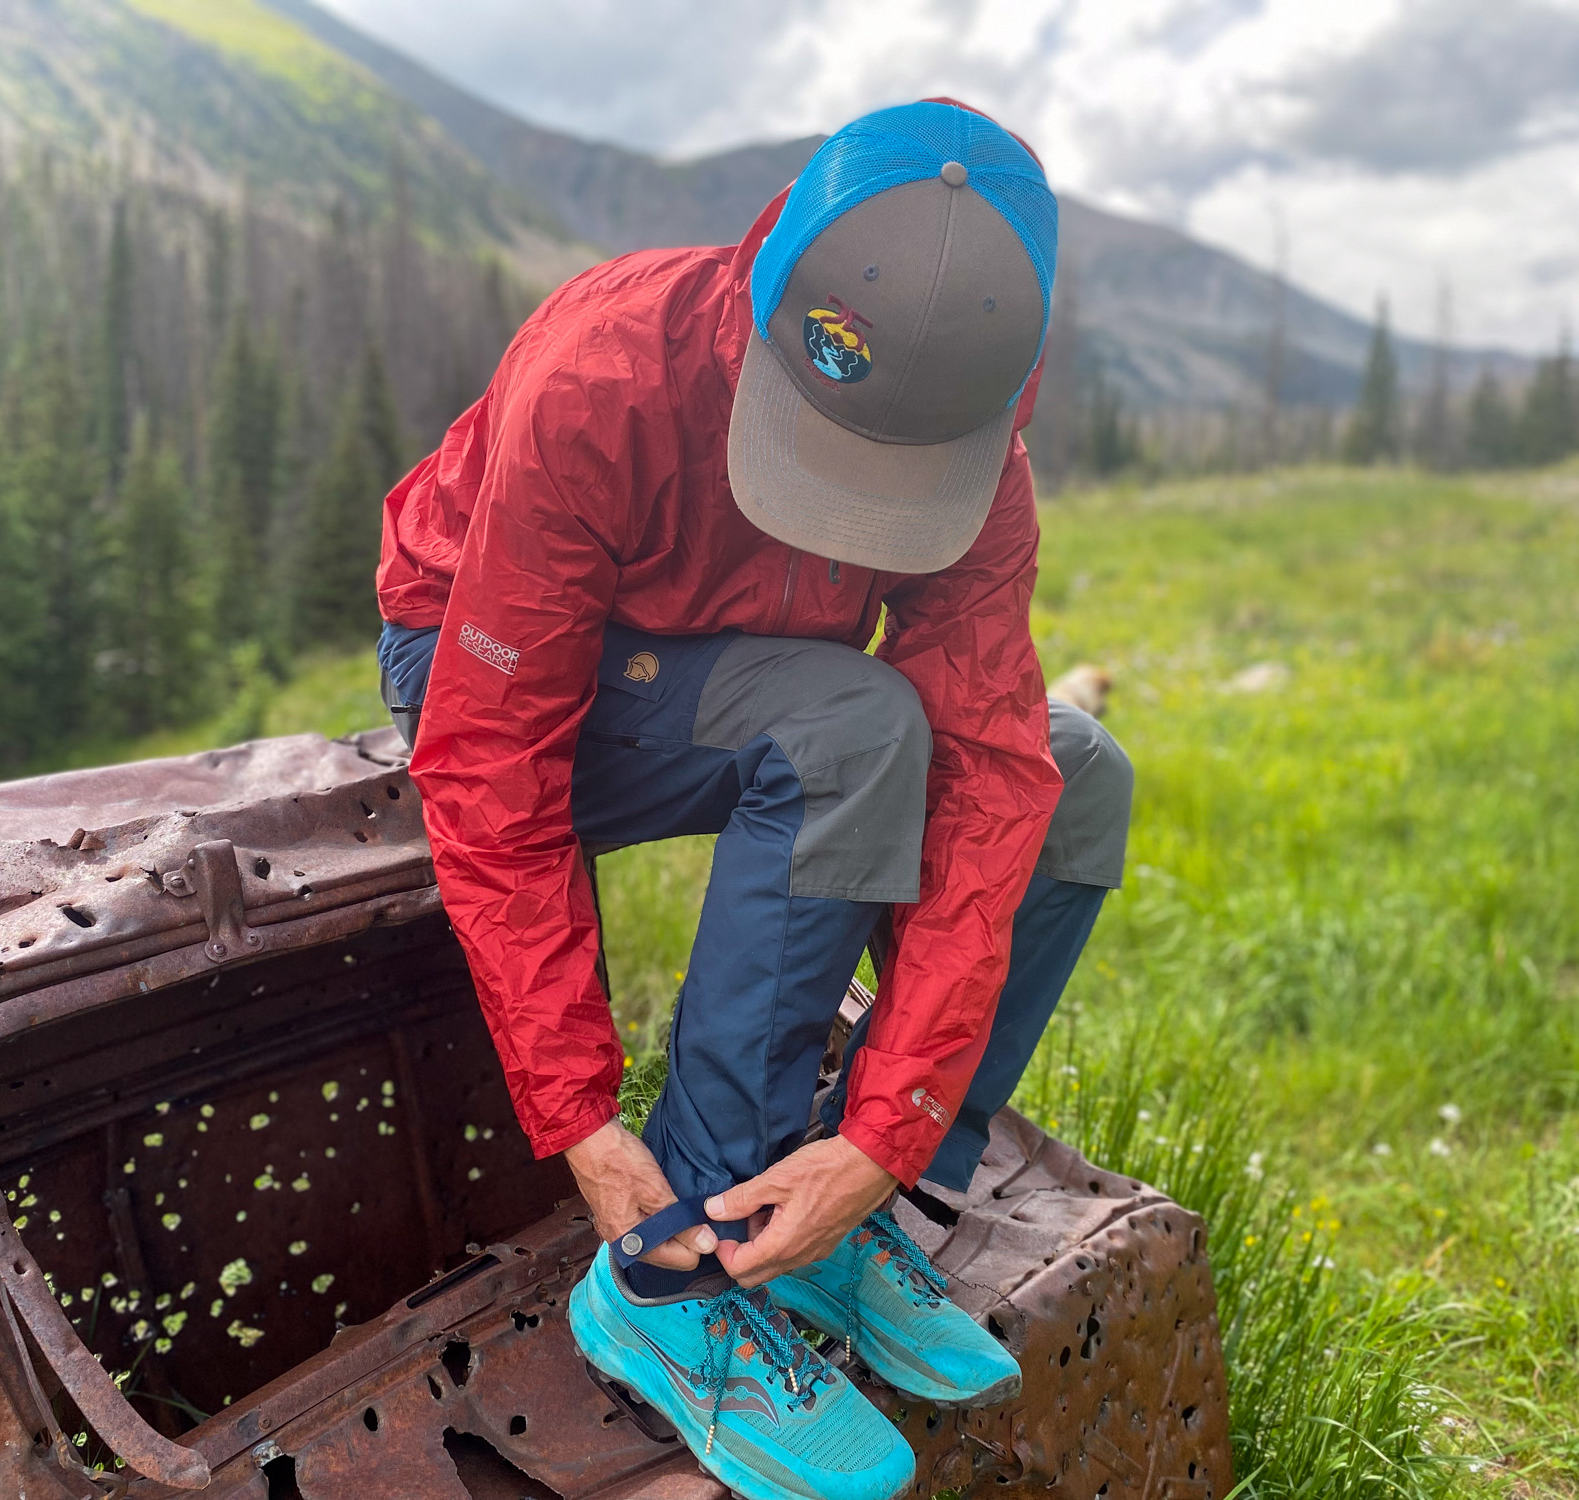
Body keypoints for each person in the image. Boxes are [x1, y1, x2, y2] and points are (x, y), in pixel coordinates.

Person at [374, 99, 1131, 1500]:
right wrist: (583, 1120)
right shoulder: (608, 374)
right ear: (772, 298)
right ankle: (677, 1272)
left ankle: (839, 1216)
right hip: (500, 662)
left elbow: (992, 771)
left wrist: (885, 1135)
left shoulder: (984, 469)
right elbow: (491, 758)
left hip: (762, 679)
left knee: (1078, 776)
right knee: (849, 724)